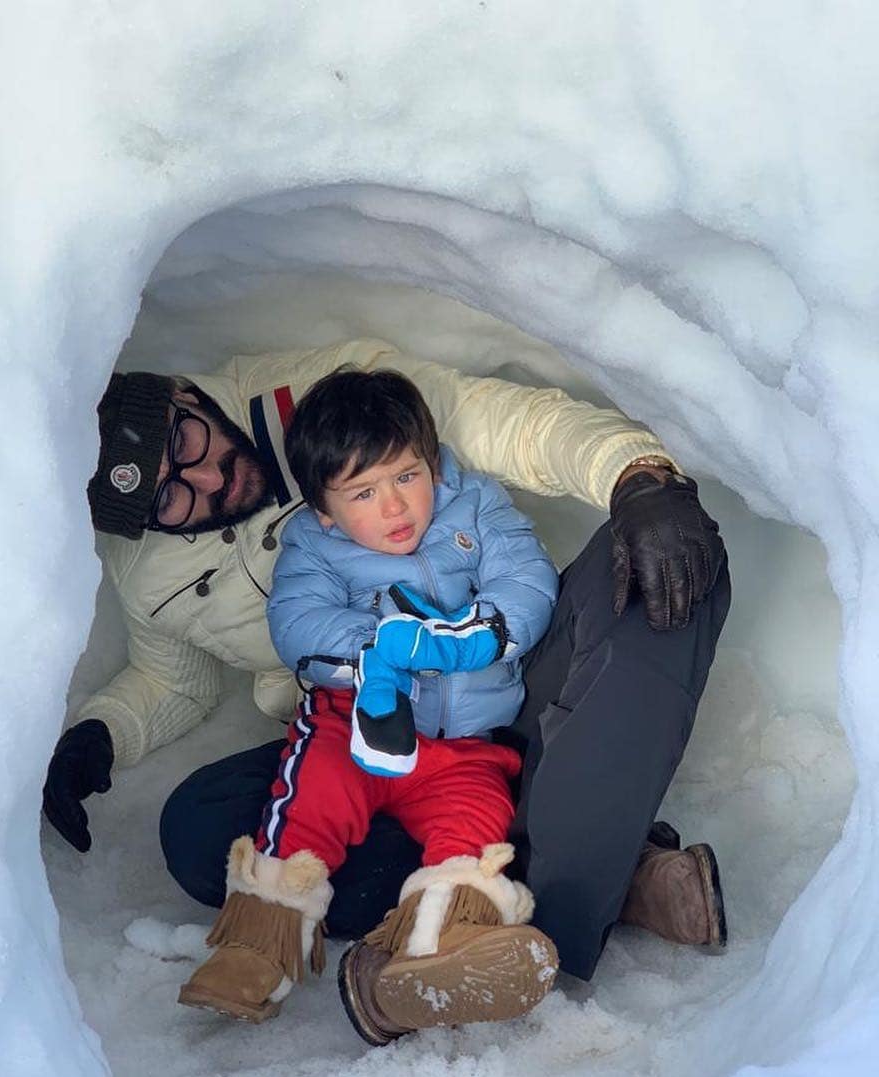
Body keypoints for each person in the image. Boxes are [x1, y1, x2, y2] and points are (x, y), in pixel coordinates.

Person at [44, 336, 729, 992]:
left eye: (186, 442)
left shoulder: (324, 396)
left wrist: (639, 478)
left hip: (510, 683)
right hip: (370, 727)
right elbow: (171, 682)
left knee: (663, 568)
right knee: (200, 828)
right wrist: (100, 731)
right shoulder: (145, 570)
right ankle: (556, 876)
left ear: (182, 395)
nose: (207, 476)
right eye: (171, 496)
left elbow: (511, 425)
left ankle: (547, 899)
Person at [177, 369, 561, 1040]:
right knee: (309, 804)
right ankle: (257, 947)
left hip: (466, 746)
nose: (396, 508)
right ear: (326, 509)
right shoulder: (312, 545)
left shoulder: (475, 507)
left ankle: (438, 951)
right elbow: (298, 625)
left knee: (474, 834)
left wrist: (484, 634)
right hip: (356, 727)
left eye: (408, 476)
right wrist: (377, 649)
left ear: (432, 463)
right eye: (364, 491)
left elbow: (526, 576)